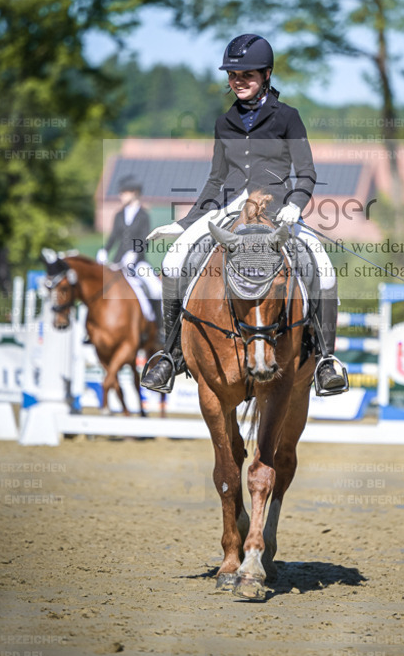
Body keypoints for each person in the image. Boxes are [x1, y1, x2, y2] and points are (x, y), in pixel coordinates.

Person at [140, 33, 349, 396]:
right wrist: (183, 224)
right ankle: (170, 355)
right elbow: (216, 178)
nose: (238, 82)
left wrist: (294, 207)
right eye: (233, 76)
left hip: (277, 209)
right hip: (228, 208)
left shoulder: (288, 118)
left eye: (247, 75)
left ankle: (325, 361)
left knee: (324, 269)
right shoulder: (224, 122)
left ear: (266, 74)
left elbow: (307, 172)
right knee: (174, 262)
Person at [97, 177, 162, 322]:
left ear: (134, 193)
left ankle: (158, 327)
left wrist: (135, 253)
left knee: (156, 289)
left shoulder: (143, 215)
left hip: (138, 262)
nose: (121, 196)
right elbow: (113, 236)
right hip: (118, 262)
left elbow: (145, 239)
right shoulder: (119, 215)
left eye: (124, 193)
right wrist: (105, 250)